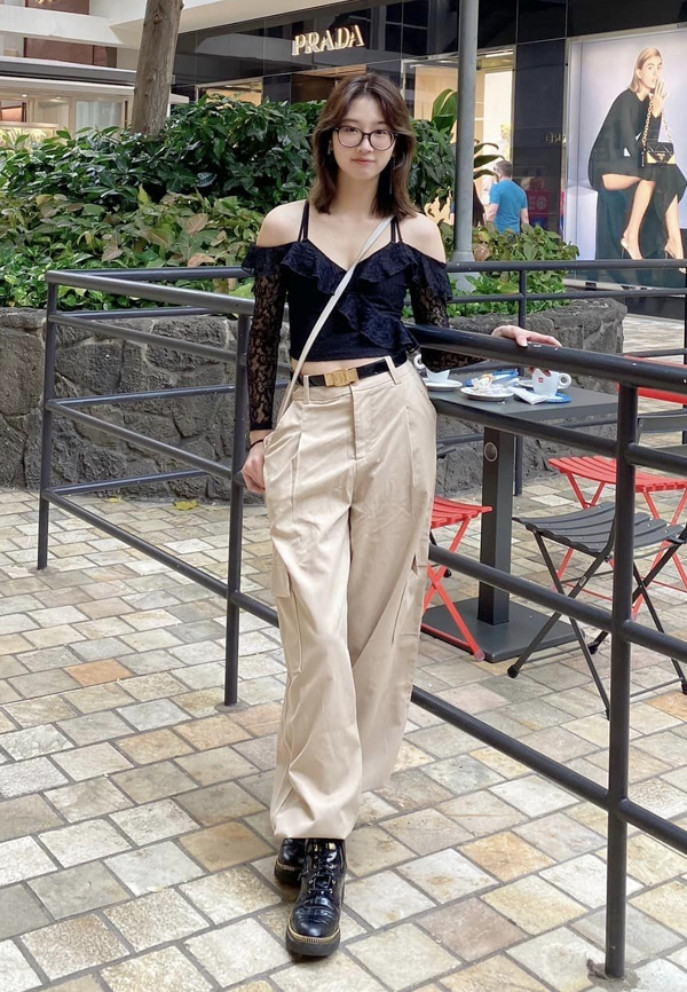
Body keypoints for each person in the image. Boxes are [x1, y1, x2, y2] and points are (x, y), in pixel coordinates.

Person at [241, 73, 560, 960]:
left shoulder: (414, 233)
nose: (364, 144)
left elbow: (433, 338)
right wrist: (260, 434)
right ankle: (321, 819)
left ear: (397, 145)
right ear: (327, 138)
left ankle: (318, 836)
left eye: (379, 132)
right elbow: (260, 339)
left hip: (392, 417)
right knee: (312, 627)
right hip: (309, 419)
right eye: (349, 129)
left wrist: (500, 338)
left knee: (375, 629)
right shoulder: (284, 226)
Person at [588, 47, 686, 262]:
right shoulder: (626, 100)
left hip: (623, 164)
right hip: (604, 167)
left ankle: (673, 241)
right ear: (639, 72)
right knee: (656, 170)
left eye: (659, 67)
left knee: (665, 171)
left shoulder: (649, 104)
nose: (655, 73)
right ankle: (634, 236)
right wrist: (655, 113)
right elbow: (635, 150)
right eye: (650, 68)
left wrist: (656, 113)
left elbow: (647, 147)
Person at [485, 160, 529, 233]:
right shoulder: (521, 191)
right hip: (515, 234)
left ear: (500, 173)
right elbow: (525, 217)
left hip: (499, 235)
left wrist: (488, 232)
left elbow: (492, 212)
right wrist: (526, 236)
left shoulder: (497, 188)